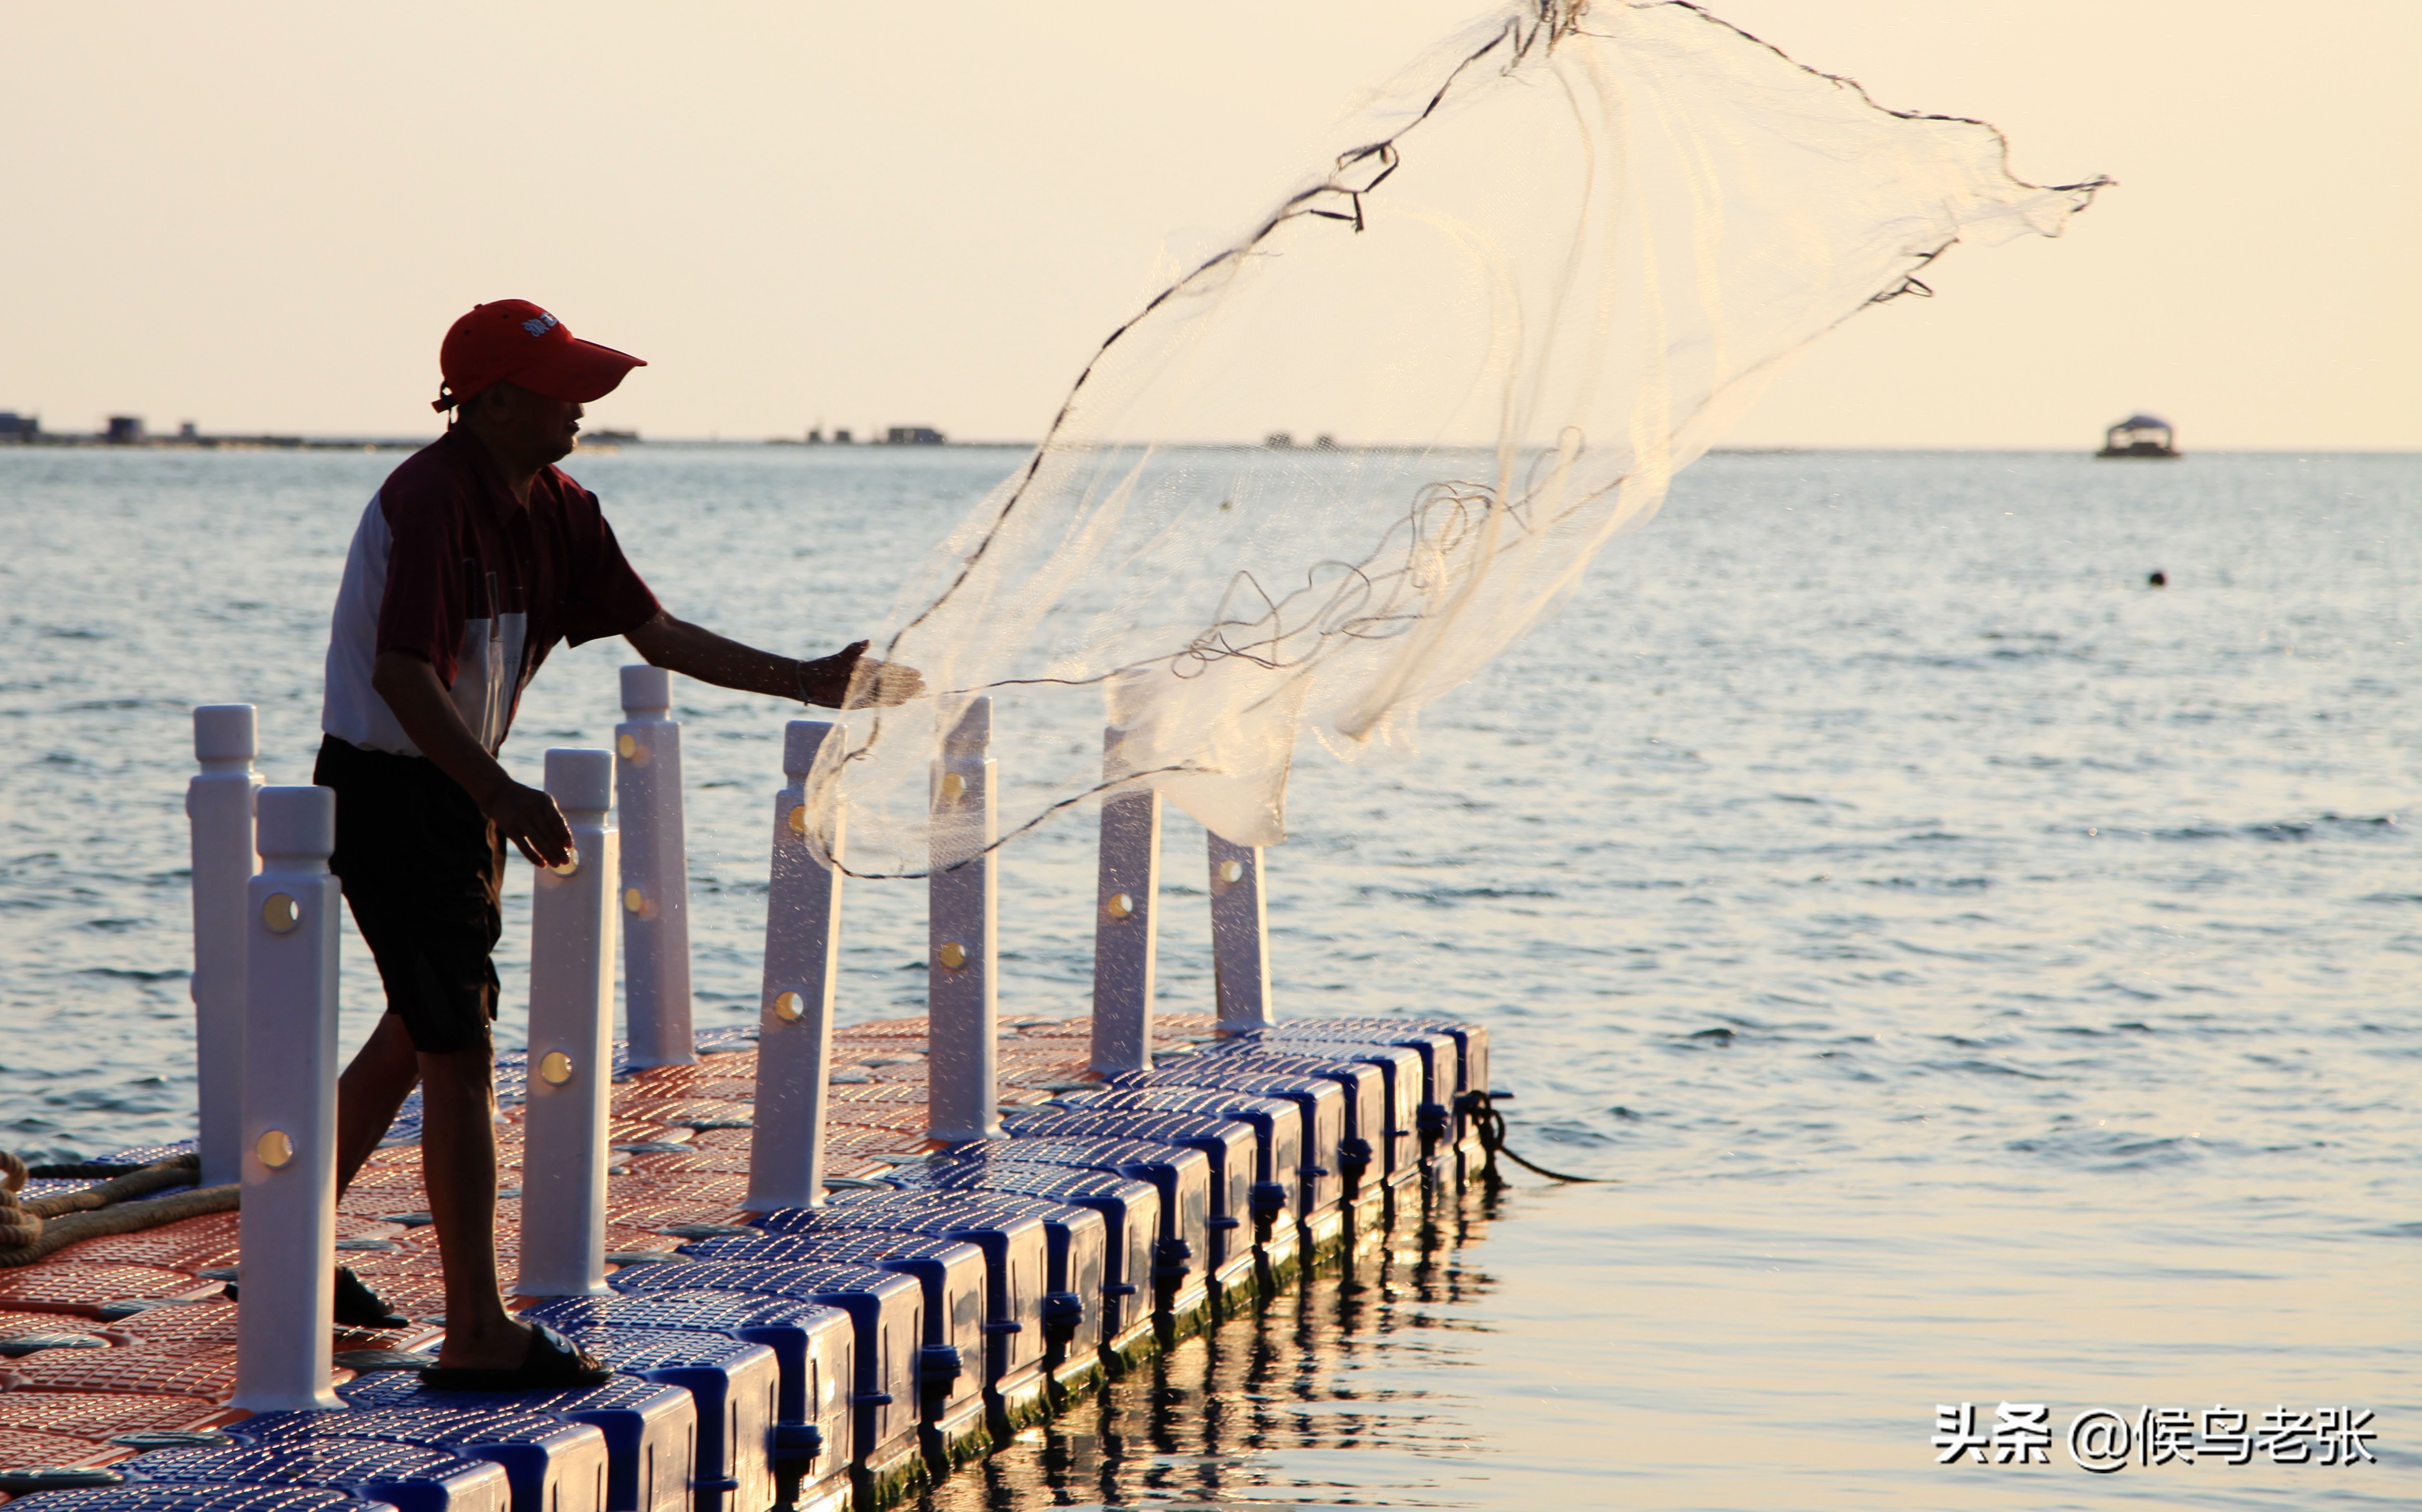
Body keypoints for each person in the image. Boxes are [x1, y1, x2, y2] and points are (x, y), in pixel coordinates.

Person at [308, 299, 919, 1388]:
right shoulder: (432, 500)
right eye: (561, 388)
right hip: (395, 790)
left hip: (457, 794)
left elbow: (660, 633)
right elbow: (403, 674)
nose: (582, 404)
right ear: (491, 402)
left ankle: (288, 1258)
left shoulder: (562, 508)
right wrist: (499, 791)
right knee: (457, 1048)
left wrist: (807, 679)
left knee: (420, 1026)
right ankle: (475, 1330)